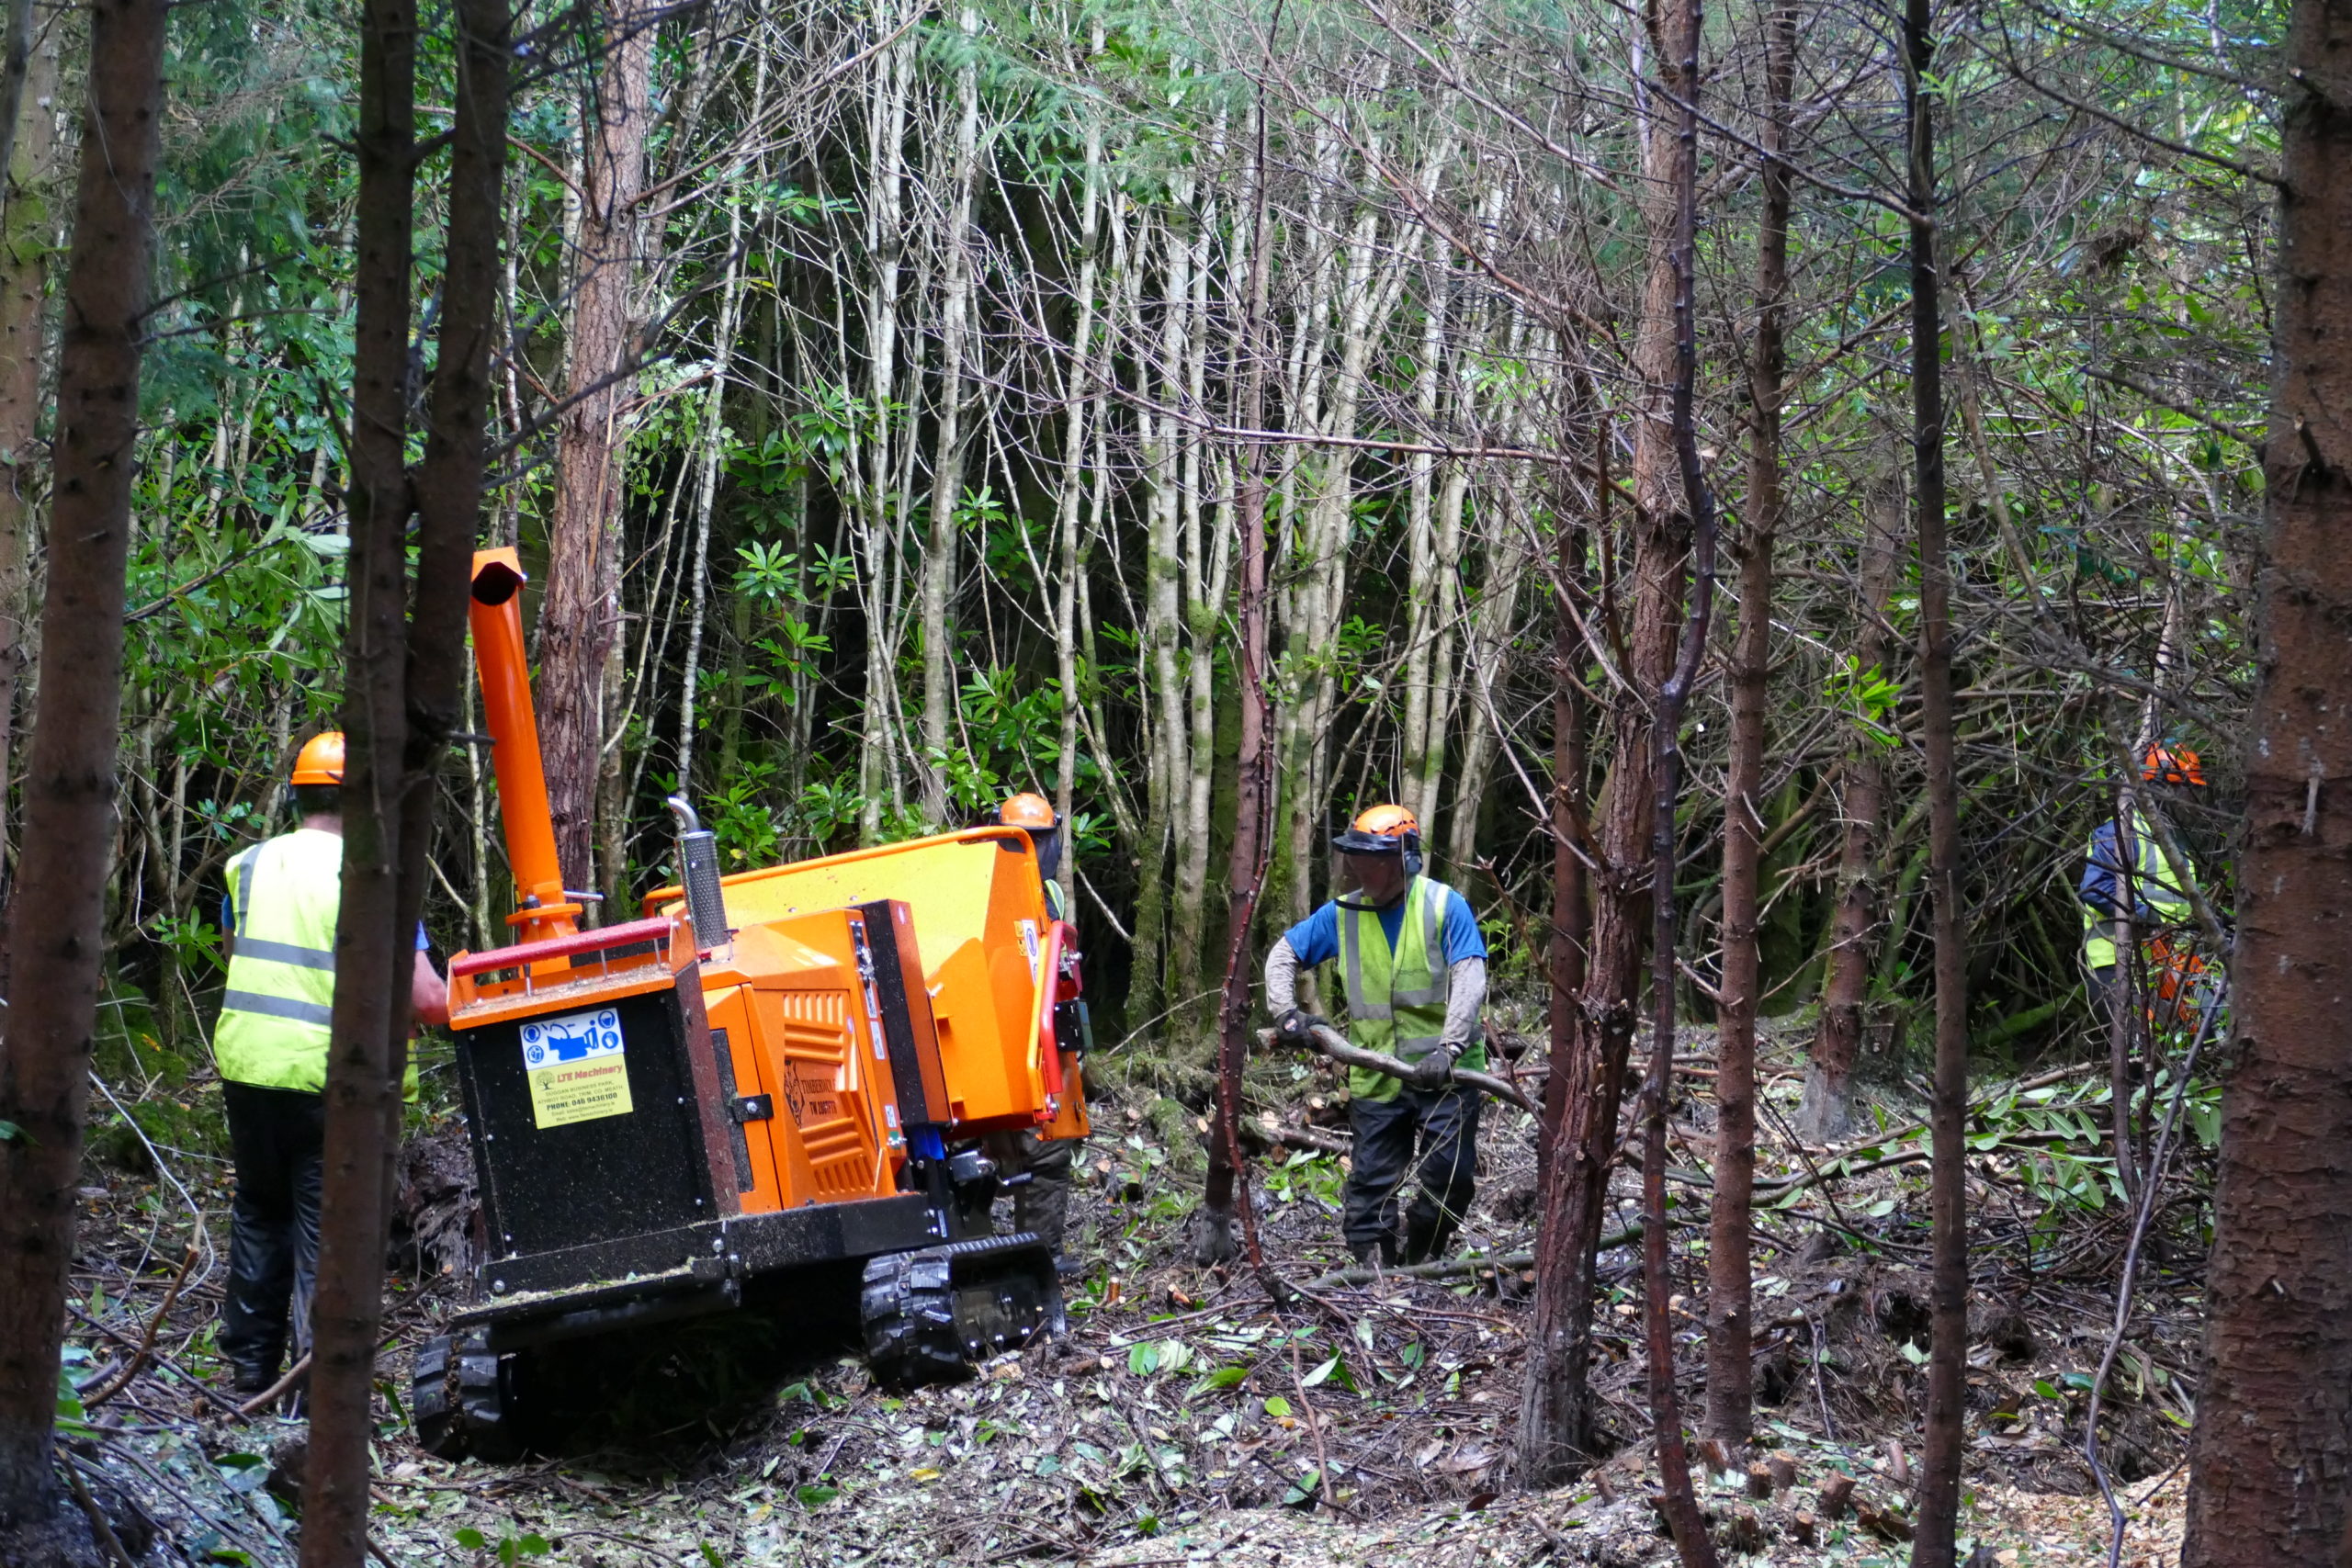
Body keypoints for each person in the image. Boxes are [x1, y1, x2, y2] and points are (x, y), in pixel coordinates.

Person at [213, 731, 449, 1396]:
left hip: (250, 1070)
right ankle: (316, 1397)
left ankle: (249, 1380)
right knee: (330, 1230)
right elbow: (428, 999)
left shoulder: (249, 864)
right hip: (332, 1083)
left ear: (299, 793)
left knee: (261, 1212)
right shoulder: (375, 875)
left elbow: (239, 950)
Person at [1263, 803, 1488, 1268]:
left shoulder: (1444, 906)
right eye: (1358, 857)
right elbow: (1284, 954)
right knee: (1370, 1186)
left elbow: (1470, 978)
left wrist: (1450, 1048)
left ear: (1404, 859)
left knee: (1450, 1178)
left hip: (1446, 1074)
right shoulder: (1342, 915)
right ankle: (1374, 1277)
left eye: (1375, 859)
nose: (1363, 868)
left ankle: (1424, 1256)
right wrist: (1286, 1013)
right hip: (1376, 1072)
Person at [976, 791, 1080, 1273]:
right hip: (984, 1039)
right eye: (1023, 842)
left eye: (1040, 841)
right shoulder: (976, 890)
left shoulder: (1052, 896)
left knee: (1049, 1152)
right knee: (971, 1157)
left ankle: (1041, 1256)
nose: (1033, 853)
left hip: (1035, 1037)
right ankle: (975, 1256)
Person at [2079, 743, 2204, 1043]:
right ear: (2162, 791)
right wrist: (2147, 918)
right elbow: (2095, 889)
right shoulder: (2121, 833)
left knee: (2183, 1048)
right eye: (2186, 790)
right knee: (2139, 1052)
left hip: (2168, 967)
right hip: (2116, 963)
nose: (2193, 801)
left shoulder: (2177, 846)